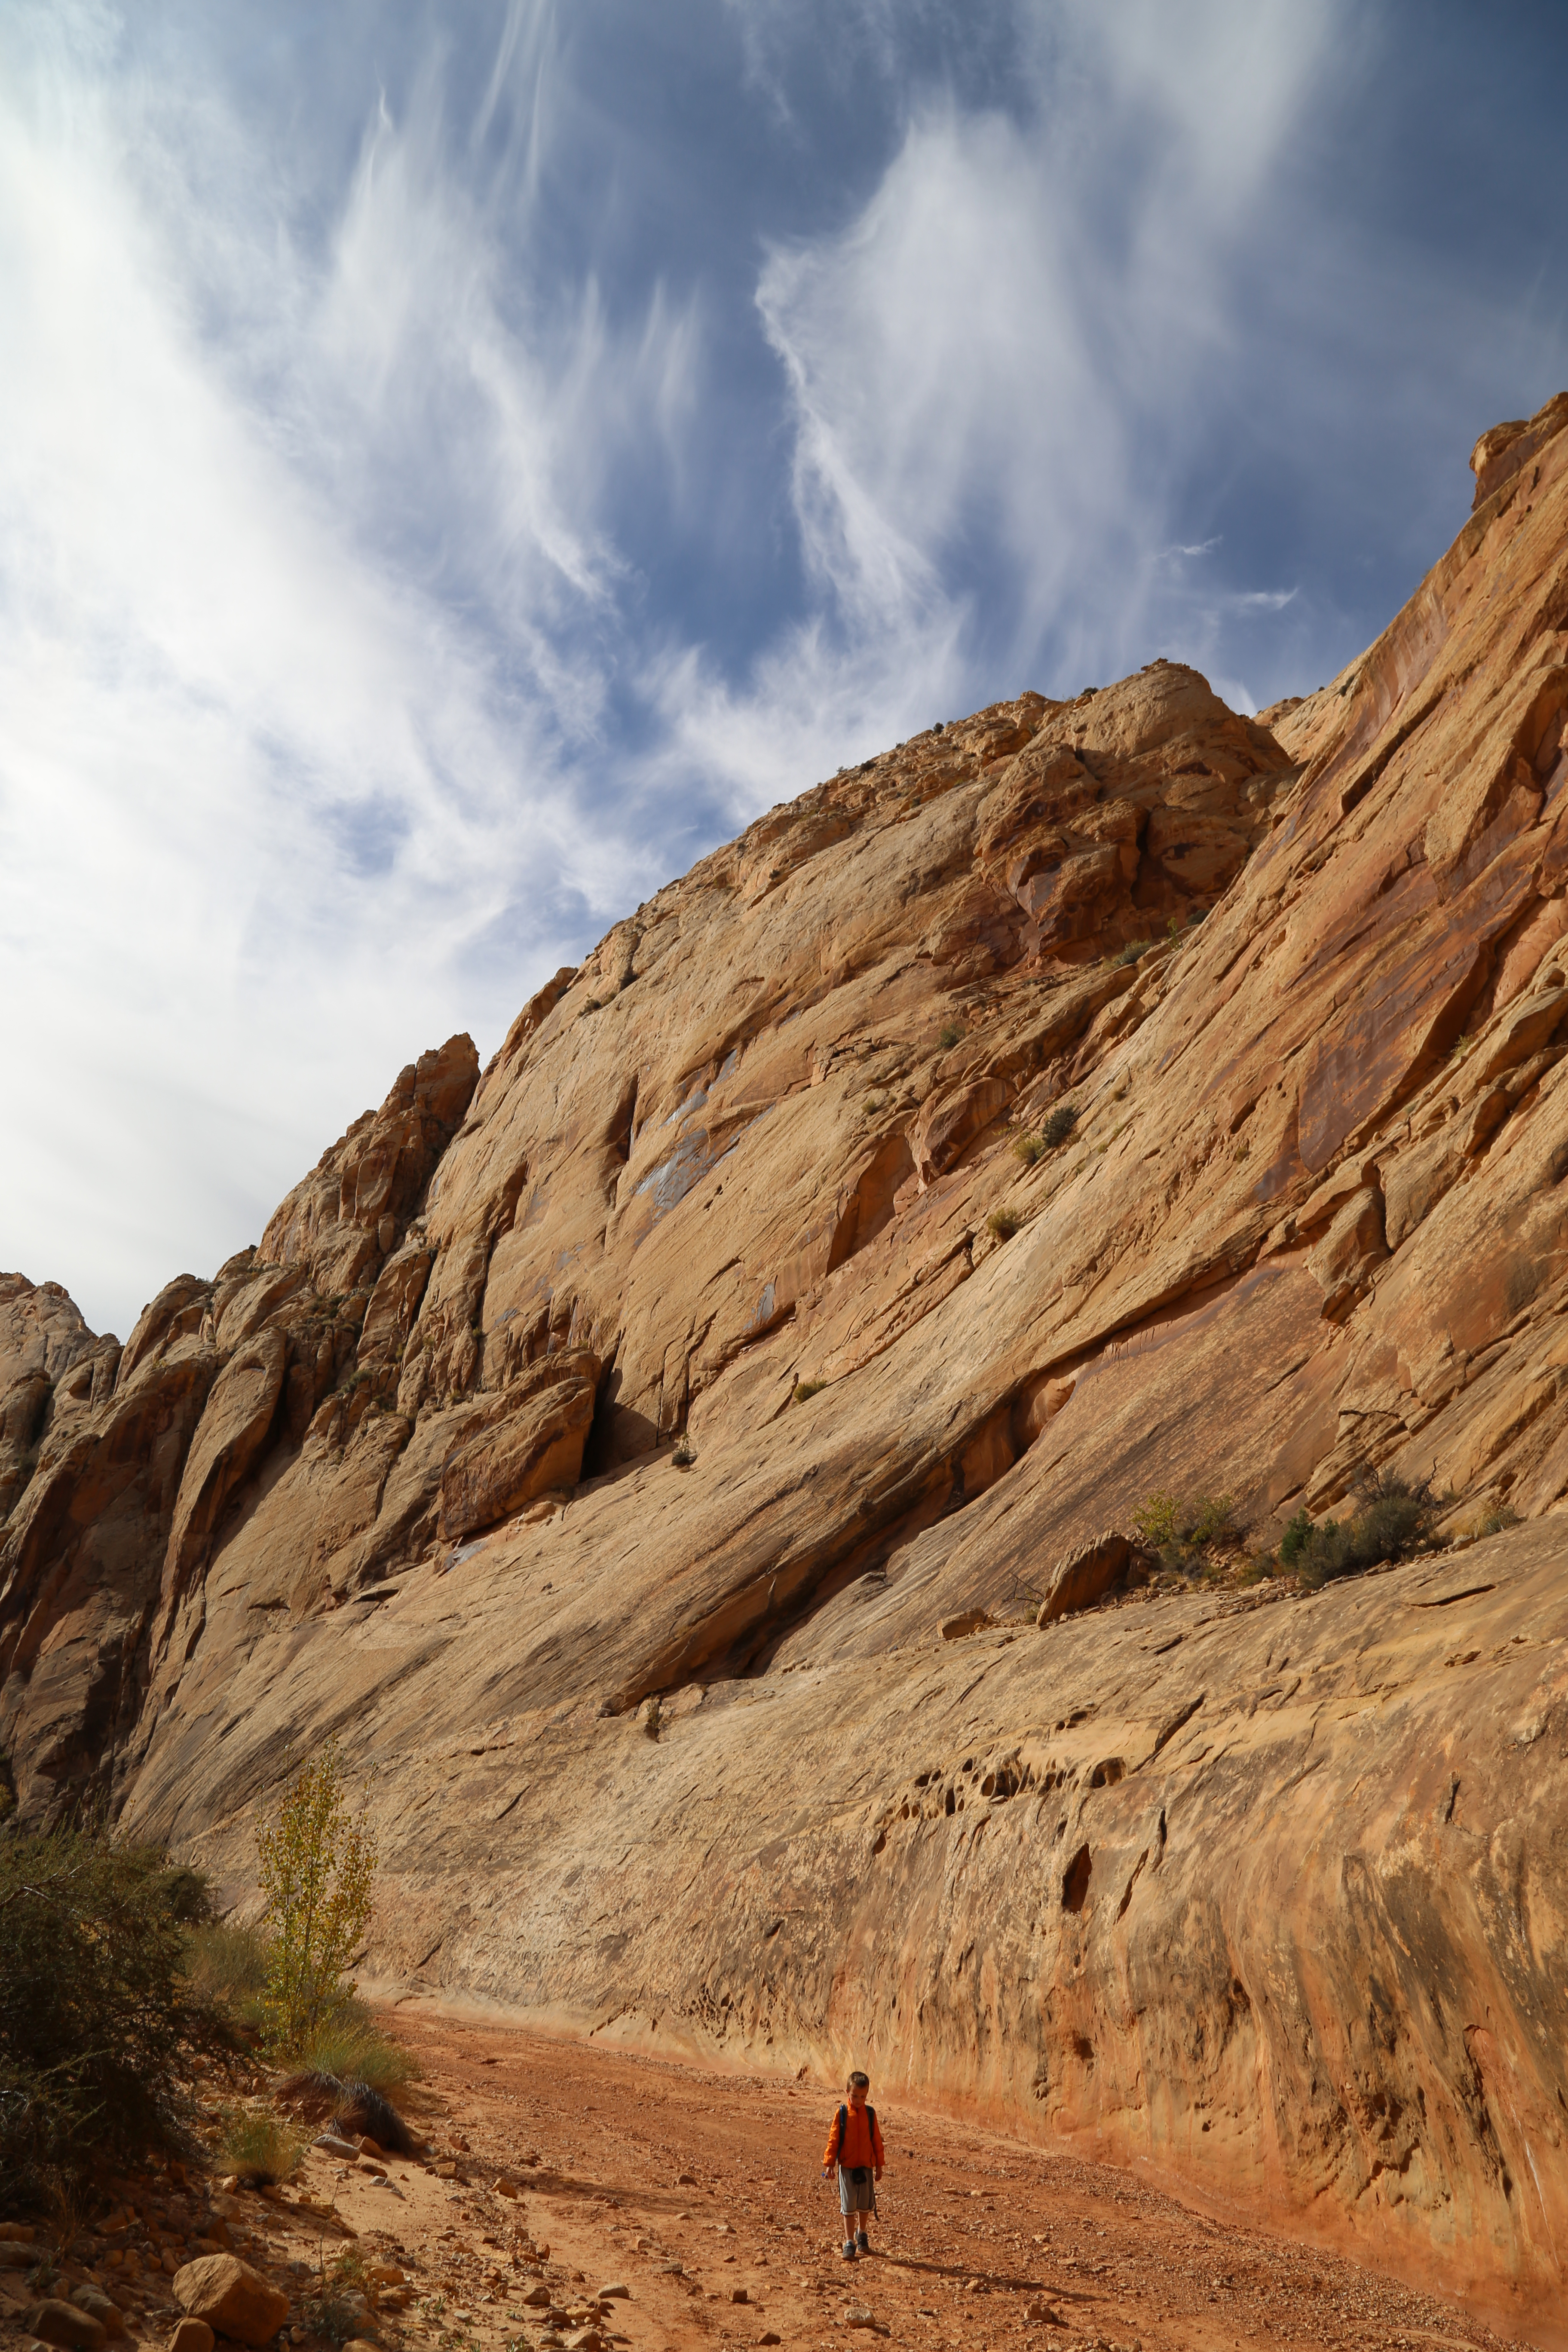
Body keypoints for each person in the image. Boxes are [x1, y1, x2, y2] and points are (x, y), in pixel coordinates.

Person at [822, 2070, 885, 2260]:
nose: (858, 2100)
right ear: (847, 2092)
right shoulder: (842, 2114)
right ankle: (850, 2242)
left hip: (866, 2166)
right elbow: (834, 2140)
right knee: (848, 2206)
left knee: (865, 2205)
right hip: (847, 2167)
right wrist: (829, 2163)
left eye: (863, 2096)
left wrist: (880, 2165)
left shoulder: (870, 2114)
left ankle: (862, 2234)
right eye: (855, 2096)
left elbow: (877, 2141)